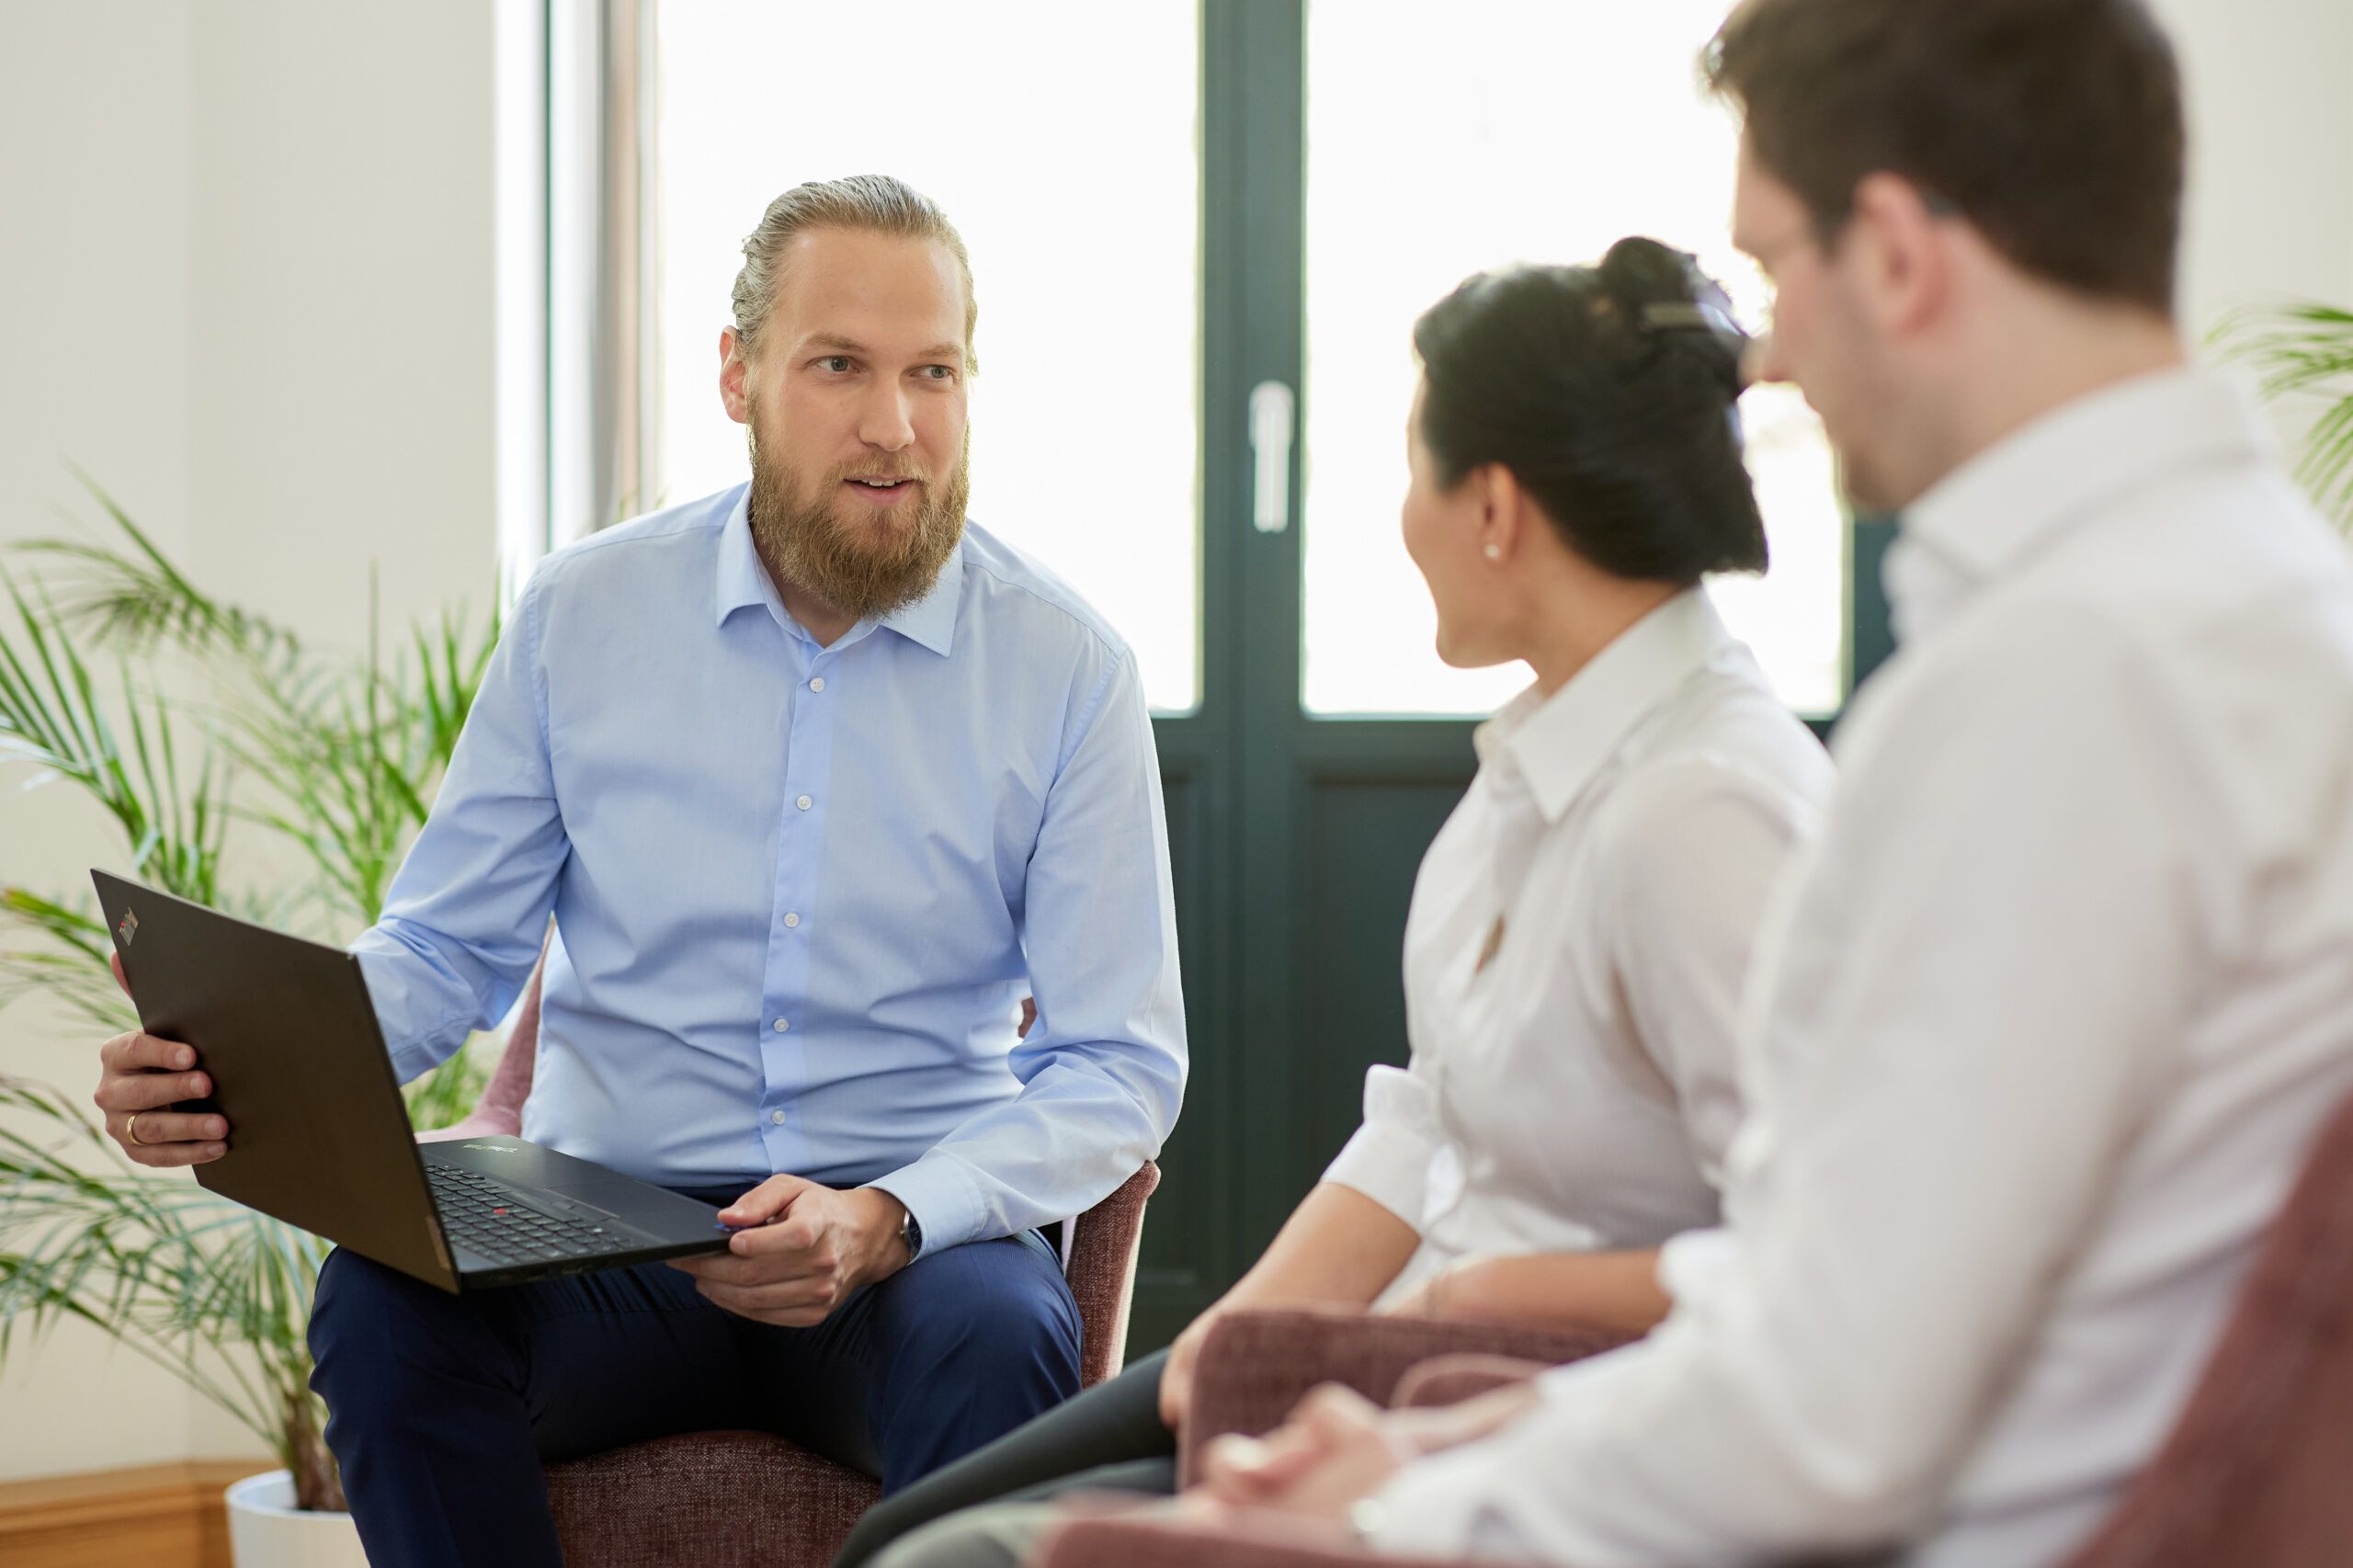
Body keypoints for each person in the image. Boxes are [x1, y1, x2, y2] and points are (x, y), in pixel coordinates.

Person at [887, 2, 2353, 1566]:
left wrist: (1399, 1496)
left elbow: (1824, 1409)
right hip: (1730, 1463)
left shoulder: (2058, 683)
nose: (1771, 352)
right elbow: (1840, 1290)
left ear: (1904, 255)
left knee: (947, 1559)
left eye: (1782, 264)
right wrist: (1444, 1432)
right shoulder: (2260, 610)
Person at [87, 174, 1187, 1568]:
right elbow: (445, 951)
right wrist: (233, 1060)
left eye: (934, 372)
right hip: (600, 1248)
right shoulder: (582, 615)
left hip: (908, 1243)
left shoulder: (1067, 670)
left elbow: (1119, 1061)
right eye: (838, 365)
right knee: (379, 1309)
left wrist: (894, 1214)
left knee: (1001, 1333)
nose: (894, 425)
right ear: (738, 376)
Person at [835, 236, 1835, 1568]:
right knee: (901, 1533)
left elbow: (1812, 1257)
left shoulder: (1706, 810)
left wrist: (1480, 1296)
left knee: (932, 1564)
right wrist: (1241, 1343)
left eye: (1415, 464)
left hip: (1527, 1405)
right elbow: (1426, 1127)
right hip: (1394, 1351)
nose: (1400, 515)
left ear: (1495, 508)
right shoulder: (1538, 766)